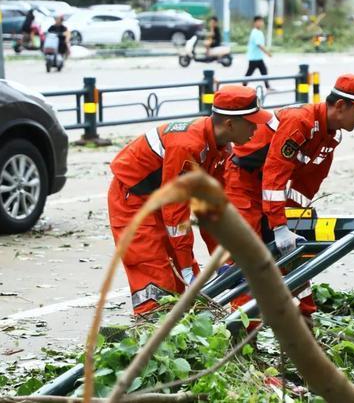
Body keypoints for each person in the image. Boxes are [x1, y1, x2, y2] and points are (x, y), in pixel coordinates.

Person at [222, 74, 354, 320]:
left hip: (268, 188)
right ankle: (242, 334)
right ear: (340, 106)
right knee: (249, 257)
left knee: (293, 255)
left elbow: (306, 185)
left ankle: (305, 318)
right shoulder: (300, 122)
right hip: (243, 182)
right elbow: (274, 175)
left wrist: (295, 221)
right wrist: (279, 225)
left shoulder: (331, 136)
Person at [107, 86, 272, 315]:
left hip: (160, 197)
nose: (256, 127)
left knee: (186, 286)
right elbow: (176, 214)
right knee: (156, 277)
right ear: (230, 124)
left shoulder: (220, 149)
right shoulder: (188, 145)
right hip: (133, 200)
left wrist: (226, 260)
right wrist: (185, 267)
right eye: (252, 122)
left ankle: (176, 332)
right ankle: (151, 331)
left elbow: (212, 210)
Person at [244, 16, 272, 91]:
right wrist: (267, 53)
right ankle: (243, 86)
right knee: (249, 73)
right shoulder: (255, 32)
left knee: (264, 71)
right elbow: (259, 45)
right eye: (259, 21)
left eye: (261, 22)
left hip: (258, 57)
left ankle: (267, 86)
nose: (261, 23)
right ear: (255, 23)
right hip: (254, 58)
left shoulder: (258, 32)